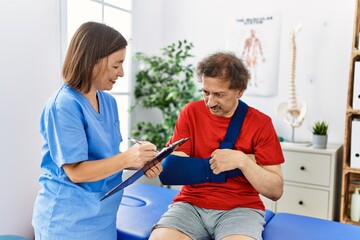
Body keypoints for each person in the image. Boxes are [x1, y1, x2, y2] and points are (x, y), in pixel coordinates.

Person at [32, 21, 162, 240]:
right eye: (116, 65)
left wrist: (139, 161)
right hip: (67, 222)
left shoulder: (108, 102)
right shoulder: (63, 105)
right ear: (93, 60)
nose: (121, 73)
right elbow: (76, 172)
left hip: (103, 219)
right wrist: (126, 158)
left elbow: (106, 159)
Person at [149, 52, 284, 240]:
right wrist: (229, 167)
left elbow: (276, 190)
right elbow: (172, 172)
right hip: (190, 205)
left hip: (241, 209)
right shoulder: (190, 113)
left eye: (219, 94)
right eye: (205, 92)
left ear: (239, 91)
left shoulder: (261, 124)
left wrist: (242, 161)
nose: (210, 102)